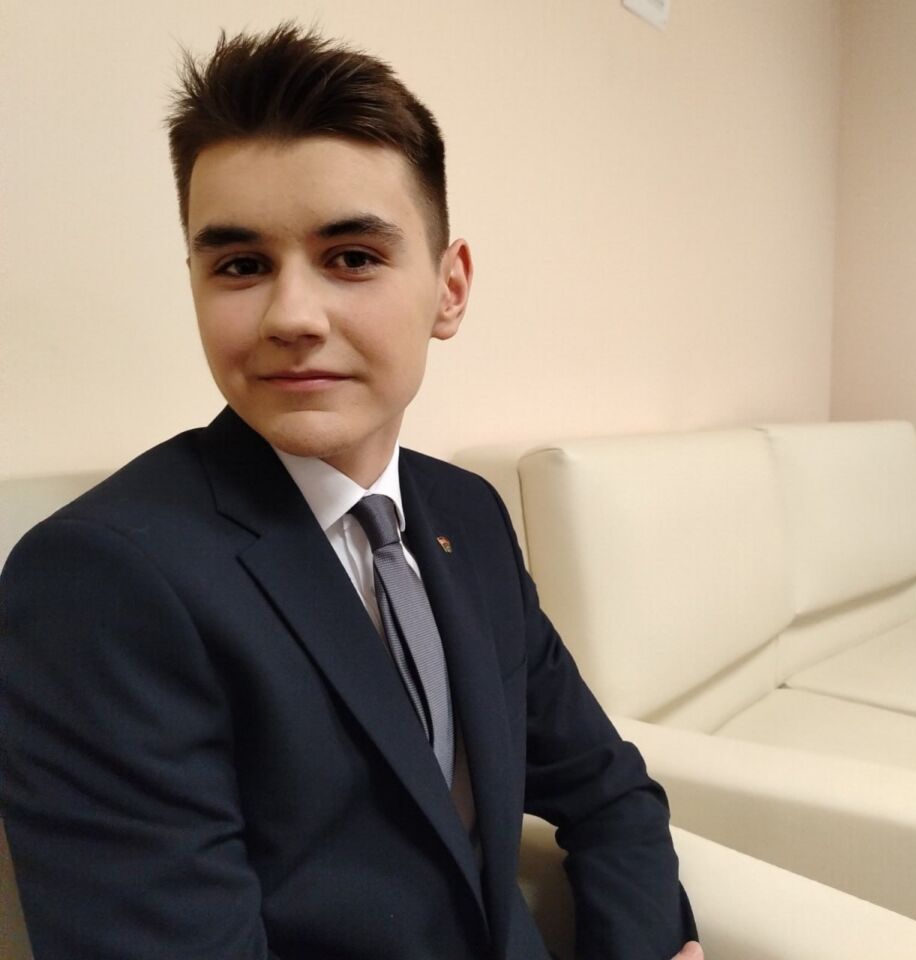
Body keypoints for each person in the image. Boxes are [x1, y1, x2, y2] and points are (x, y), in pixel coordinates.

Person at [0, 24, 700, 960]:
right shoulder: (100, 581)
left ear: (450, 289)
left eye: (353, 257)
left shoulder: (468, 516)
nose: (291, 316)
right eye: (240, 266)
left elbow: (609, 791)